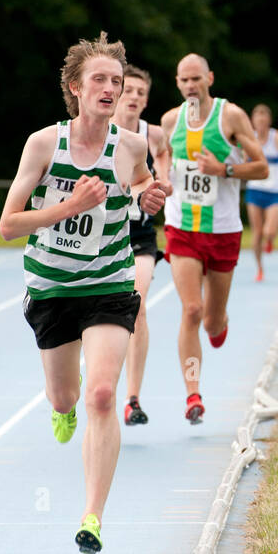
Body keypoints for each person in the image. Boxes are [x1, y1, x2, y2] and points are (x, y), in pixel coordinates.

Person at [0, 31, 169, 554]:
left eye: (117, 82)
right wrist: (67, 208)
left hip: (109, 283)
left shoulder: (132, 145)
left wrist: (149, 195)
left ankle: (91, 516)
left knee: (101, 395)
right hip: (51, 286)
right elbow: (9, 224)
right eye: (99, 79)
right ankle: (60, 404)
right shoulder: (44, 144)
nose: (110, 89)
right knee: (67, 395)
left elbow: (140, 182)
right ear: (75, 87)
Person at [161, 53, 267, 423]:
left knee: (211, 321)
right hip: (182, 228)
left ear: (209, 78)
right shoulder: (170, 121)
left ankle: (218, 324)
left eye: (196, 79)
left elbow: (262, 167)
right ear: (177, 83)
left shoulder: (231, 116)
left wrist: (223, 168)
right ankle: (193, 395)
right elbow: (164, 164)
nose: (190, 86)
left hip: (222, 229)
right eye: (183, 80)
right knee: (191, 309)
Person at [112, 64, 172, 426]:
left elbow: (164, 157)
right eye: (128, 90)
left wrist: (163, 181)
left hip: (140, 238)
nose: (134, 97)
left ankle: (132, 398)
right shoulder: (101, 133)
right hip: (102, 239)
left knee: (137, 304)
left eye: (141, 92)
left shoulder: (154, 135)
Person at [243, 103, 278, 281]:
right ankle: (259, 269)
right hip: (255, 190)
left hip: (275, 191)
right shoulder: (248, 140)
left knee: (269, 231)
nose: (260, 121)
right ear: (252, 121)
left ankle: (270, 240)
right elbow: (242, 163)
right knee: (257, 233)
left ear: (268, 120)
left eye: (263, 117)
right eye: (257, 117)